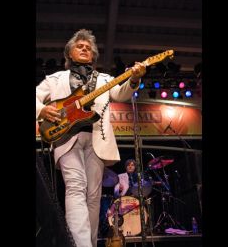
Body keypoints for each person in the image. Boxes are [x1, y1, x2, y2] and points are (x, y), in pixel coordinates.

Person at [36, 29, 146, 247]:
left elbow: (121, 93)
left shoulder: (104, 79)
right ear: (69, 53)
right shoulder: (56, 78)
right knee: (75, 187)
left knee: (93, 196)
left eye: (88, 47)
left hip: (98, 138)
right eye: (80, 46)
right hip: (66, 138)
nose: (85, 49)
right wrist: (41, 110)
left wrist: (134, 79)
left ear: (93, 55)